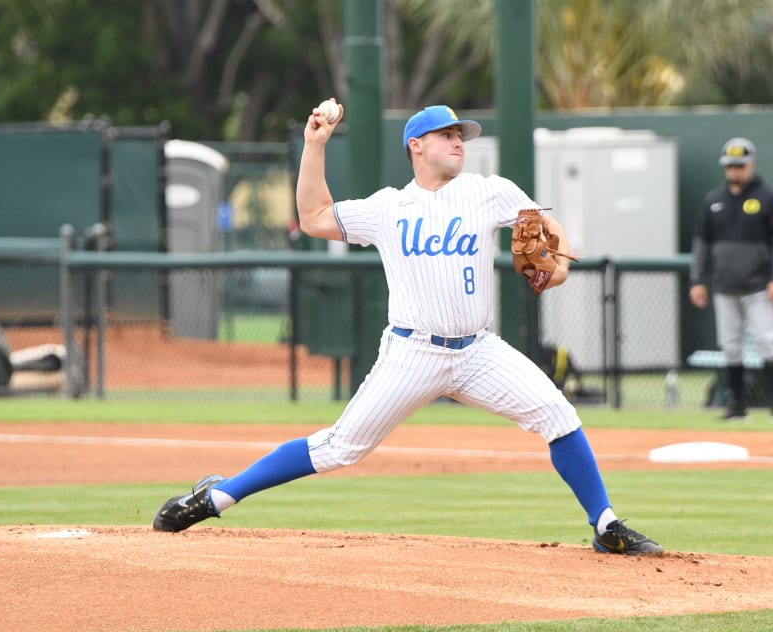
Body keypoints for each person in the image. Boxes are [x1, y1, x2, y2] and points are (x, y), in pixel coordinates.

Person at [152, 103, 662, 556]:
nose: (459, 140)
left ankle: (606, 524)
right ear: (416, 146)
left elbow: (546, 230)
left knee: (556, 411)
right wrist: (314, 145)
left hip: (478, 350)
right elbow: (313, 217)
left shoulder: (490, 192)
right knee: (339, 448)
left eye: (462, 133)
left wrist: (562, 265)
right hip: (412, 352)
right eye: (447, 134)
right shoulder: (388, 208)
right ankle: (216, 495)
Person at [689, 137, 773, 421]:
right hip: (725, 286)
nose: (735, 171)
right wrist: (697, 280)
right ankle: (737, 407)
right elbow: (702, 244)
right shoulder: (714, 201)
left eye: (740, 166)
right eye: (730, 166)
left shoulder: (767, 198)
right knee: (731, 346)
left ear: (751, 165)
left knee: (767, 342)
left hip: (759, 286)